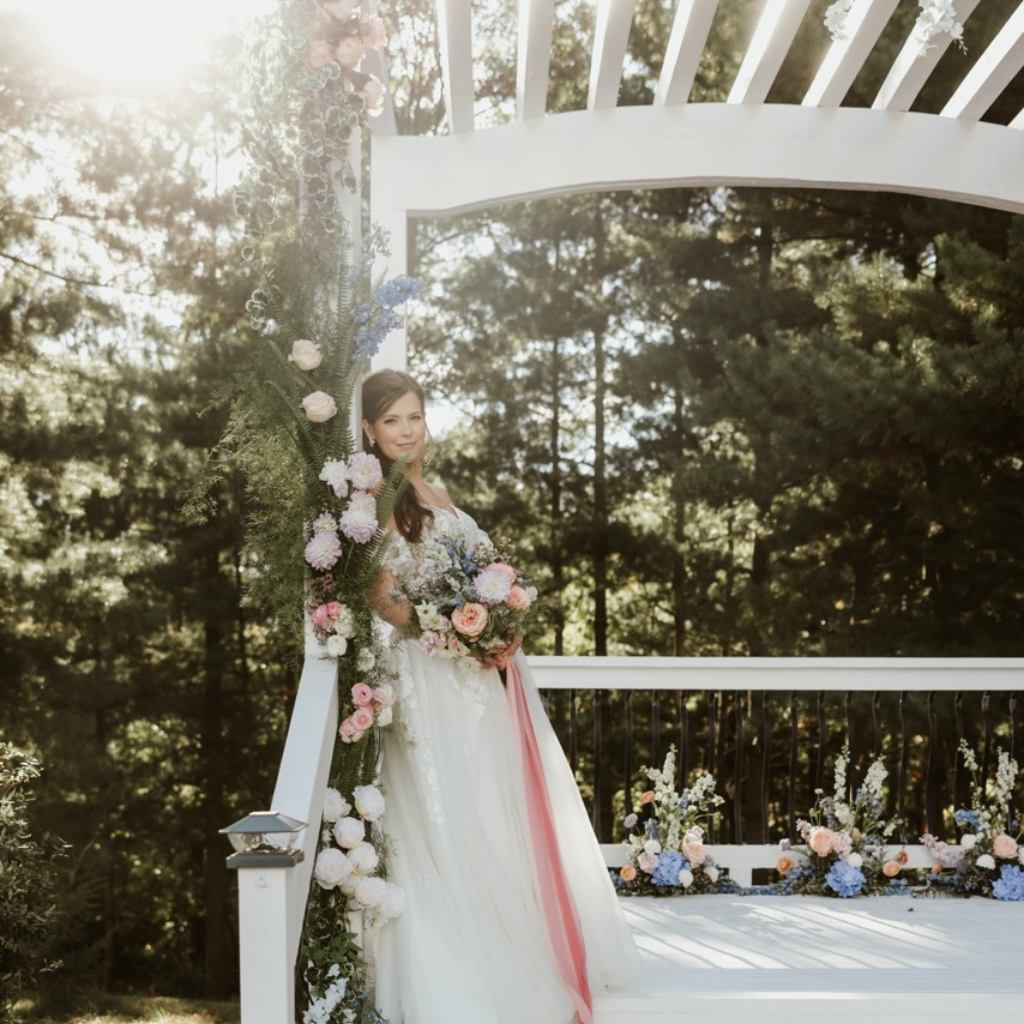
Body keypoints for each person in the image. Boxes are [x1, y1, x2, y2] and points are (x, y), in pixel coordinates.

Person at [362, 369, 641, 1024]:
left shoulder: (439, 490)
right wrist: (452, 635)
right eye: (393, 420)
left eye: (415, 416)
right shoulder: (372, 497)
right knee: (444, 811)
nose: (407, 430)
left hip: (482, 681)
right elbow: (382, 596)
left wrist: (498, 623)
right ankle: (464, 975)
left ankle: (520, 947)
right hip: (431, 676)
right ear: (370, 430)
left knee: (494, 809)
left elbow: (483, 573)